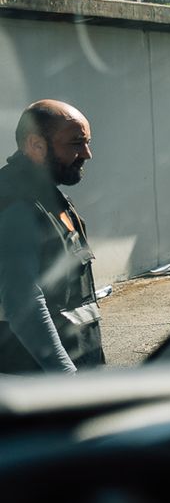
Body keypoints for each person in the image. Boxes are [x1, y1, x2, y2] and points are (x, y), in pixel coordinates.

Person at [0, 100, 104, 374]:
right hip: (39, 381)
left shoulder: (47, 195)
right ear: (36, 145)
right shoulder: (17, 205)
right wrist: (65, 376)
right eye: (75, 143)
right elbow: (23, 303)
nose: (87, 153)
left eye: (87, 142)